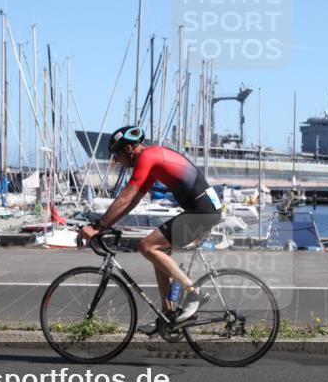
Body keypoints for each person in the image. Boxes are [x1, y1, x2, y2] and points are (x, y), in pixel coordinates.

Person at [78, 125, 222, 333]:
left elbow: (126, 197)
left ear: (128, 149)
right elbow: (133, 200)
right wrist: (105, 225)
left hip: (202, 210)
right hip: (204, 208)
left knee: (147, 246)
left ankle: (193, 291)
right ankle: (168, 315)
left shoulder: (148, 157)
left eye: (116, 155)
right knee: (157, 250)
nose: (116, 160)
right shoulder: (152, 160)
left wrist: (97, 226)